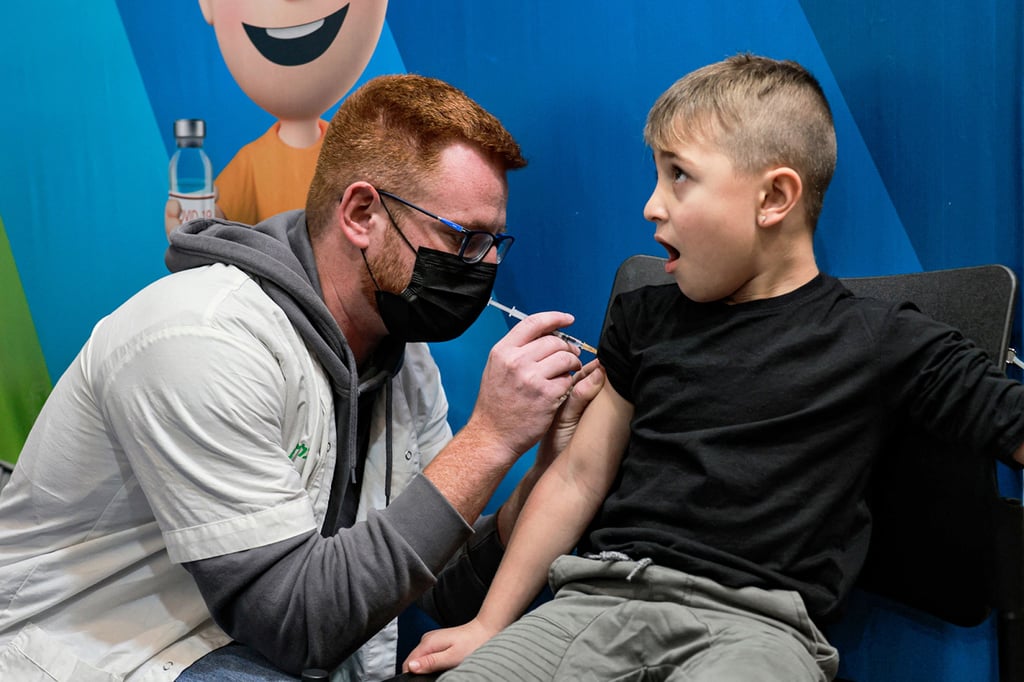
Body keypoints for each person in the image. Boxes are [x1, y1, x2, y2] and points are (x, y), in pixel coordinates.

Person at [402, 54, 1024, 681]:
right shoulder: (643, 320)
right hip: (594, 601)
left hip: (759, 631)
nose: (651, 205)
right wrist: (490, 624)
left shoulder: (882, 338)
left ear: (774, 197)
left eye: (679, 176)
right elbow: (575, 479)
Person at [0, 74, 603, 681]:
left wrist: (540, 477)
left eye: (495, 241)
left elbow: (434, 584)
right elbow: (296, 623)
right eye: (461, 237)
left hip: (247, 649)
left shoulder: (402, 359)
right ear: (362, 213)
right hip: (111, 651)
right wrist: (490, 438)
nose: (486, 266)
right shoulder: (200, 337)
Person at [165, 0, 390, 235]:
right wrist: (193, 226)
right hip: (274, 270)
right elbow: (217, 223)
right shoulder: (252, 163)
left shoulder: (356, 156)